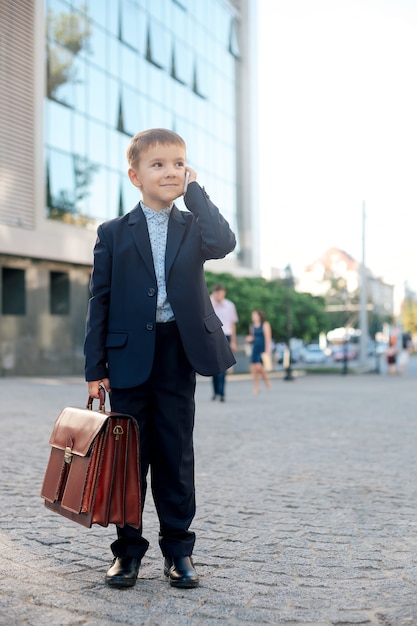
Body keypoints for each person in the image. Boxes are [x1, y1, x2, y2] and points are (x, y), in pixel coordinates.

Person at [84, 128, 236, 590]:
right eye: (158, 164)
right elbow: (100, 301)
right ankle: (127, 554)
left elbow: (224, 241)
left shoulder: (193, 226)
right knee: (130, 459)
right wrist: (95, 370)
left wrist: (195, 192)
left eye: (178, 163)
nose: (169, 171)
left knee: (175, 454)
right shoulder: (112, 232)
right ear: (135, 175)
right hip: (128, 358)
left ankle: (178, 552)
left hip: (177, 353)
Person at [209, 283, 238, 402]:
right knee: (213, 366)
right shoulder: (209, 303)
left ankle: (221, 393)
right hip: (213, 336)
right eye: (216, 293)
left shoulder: (230, 305)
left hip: (226, 336)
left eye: (220, 292)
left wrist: (234, 341)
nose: (218, 295)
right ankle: (215, 391)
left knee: (223, 366)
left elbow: (232, 324)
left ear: (224, 293)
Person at [246, 309, 272, 394]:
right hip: (255, 348)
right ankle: (256, 387)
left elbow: (268, 338)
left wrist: (268, 351)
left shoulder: (265, 325)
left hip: (262, 348)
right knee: (254, 369)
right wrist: (250, 339)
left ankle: (266, 380)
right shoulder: (252, 326)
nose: (253, 317)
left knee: (259, 367)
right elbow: (253, 337)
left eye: (255, 315)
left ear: (259, 316)